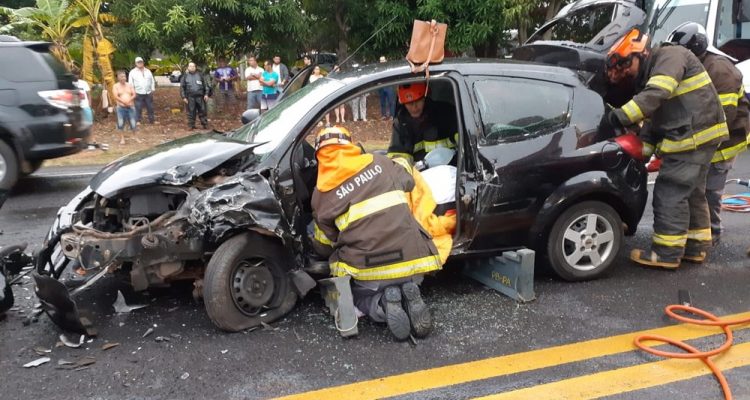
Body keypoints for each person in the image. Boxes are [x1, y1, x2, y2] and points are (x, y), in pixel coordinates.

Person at [607, 28, 728, 269]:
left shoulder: (669, 55)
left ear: (640, 54)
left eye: (625, 66)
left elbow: (657, 94)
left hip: (693, 136)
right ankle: (695, 248)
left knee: (670, 191)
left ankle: (666, 254)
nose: (623, 73)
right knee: (691, 192)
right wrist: (643, 152)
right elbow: (656, 118)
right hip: (699, 135)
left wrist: (618, 117)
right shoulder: (652, 72)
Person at [311, 126, 441, 340]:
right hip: (411, 262)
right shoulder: (381, 163)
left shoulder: (320, 196)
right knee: (406, 276)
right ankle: (410, 291)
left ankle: (381, 304)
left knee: (359, 294)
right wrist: (397, 162)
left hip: (369, 271)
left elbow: (325, 244)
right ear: (352, 146)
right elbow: (409, 180)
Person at [668, 22, 750, 246]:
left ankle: (712, 233)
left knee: (710, 191)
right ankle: (697, 230)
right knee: (697, 187)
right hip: (707, 136)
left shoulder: (720, 71)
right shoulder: (695, 63)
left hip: (726, 140)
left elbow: (722, 118)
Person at [387, 82, 458, 164]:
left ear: (425, 98)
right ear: (403, 103)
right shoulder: (400, 123)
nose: (414, 107)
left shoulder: (446, 113)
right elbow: (398, 160)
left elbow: (465, 144)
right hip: (419, 174)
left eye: (418, 101)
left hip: (451, 170)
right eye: (409, 103)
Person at [180, 62, 210, 129]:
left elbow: (206, 86)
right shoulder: (185, 76)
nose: (192, 67)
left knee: (202, 111)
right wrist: (183, 97)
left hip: (200, 97)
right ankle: (191, 125)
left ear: (195, 67)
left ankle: (205, 124)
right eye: (190, 66)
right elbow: (182, 87)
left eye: (193, 66)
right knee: (191, 111)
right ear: (188, 67)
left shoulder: (200, 75)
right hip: (190, 97)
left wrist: (206, 94)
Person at [128, 56, 156, 124]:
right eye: (138, 62)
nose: (140, 63)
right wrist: (133, 92)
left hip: (148, 92)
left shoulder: (148, 71)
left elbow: (152, 80)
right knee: (138, 107)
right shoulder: (132, 72)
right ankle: (138, 120)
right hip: (138, 92)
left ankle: (152, 120)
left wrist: (152, 89)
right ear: (136, 63)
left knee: (150, 107)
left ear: (143, 62)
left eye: (141, 62)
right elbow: (130, 83)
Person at [112, 70, 137, 144]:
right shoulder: (115, 86)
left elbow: (134, 94)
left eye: (124, 76)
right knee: (121, 123)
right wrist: (124, 102)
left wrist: (129, 101)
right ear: (118, 78)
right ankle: (122, 139)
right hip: (121, 107)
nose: (123, 78)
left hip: (131, 106)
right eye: (122, 76)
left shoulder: (129, 85)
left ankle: (135, 137)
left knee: (133, 122)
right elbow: (116, 96)